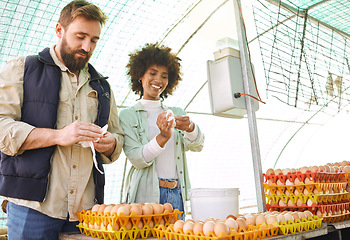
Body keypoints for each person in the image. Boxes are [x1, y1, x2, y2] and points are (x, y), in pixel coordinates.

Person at [0, 0, 124, 239]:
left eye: (94, 40)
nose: (87, 46)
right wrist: (59, 135)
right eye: (80, 36)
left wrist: (110, 144)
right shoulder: (21, 69)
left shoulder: (102, 86)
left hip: (86, 212)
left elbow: (117, 138)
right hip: (34, 207)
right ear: (59, 30)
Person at [119, 43, 205, 220]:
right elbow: (137, 158)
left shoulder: (176, 112)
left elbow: (198, 145)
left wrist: (190, 128)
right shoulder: (128, 115)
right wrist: (162, 138)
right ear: (139, 75)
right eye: (152, 73)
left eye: (164, 76)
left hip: (176, 194)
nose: (158, 80)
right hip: (146, 196)